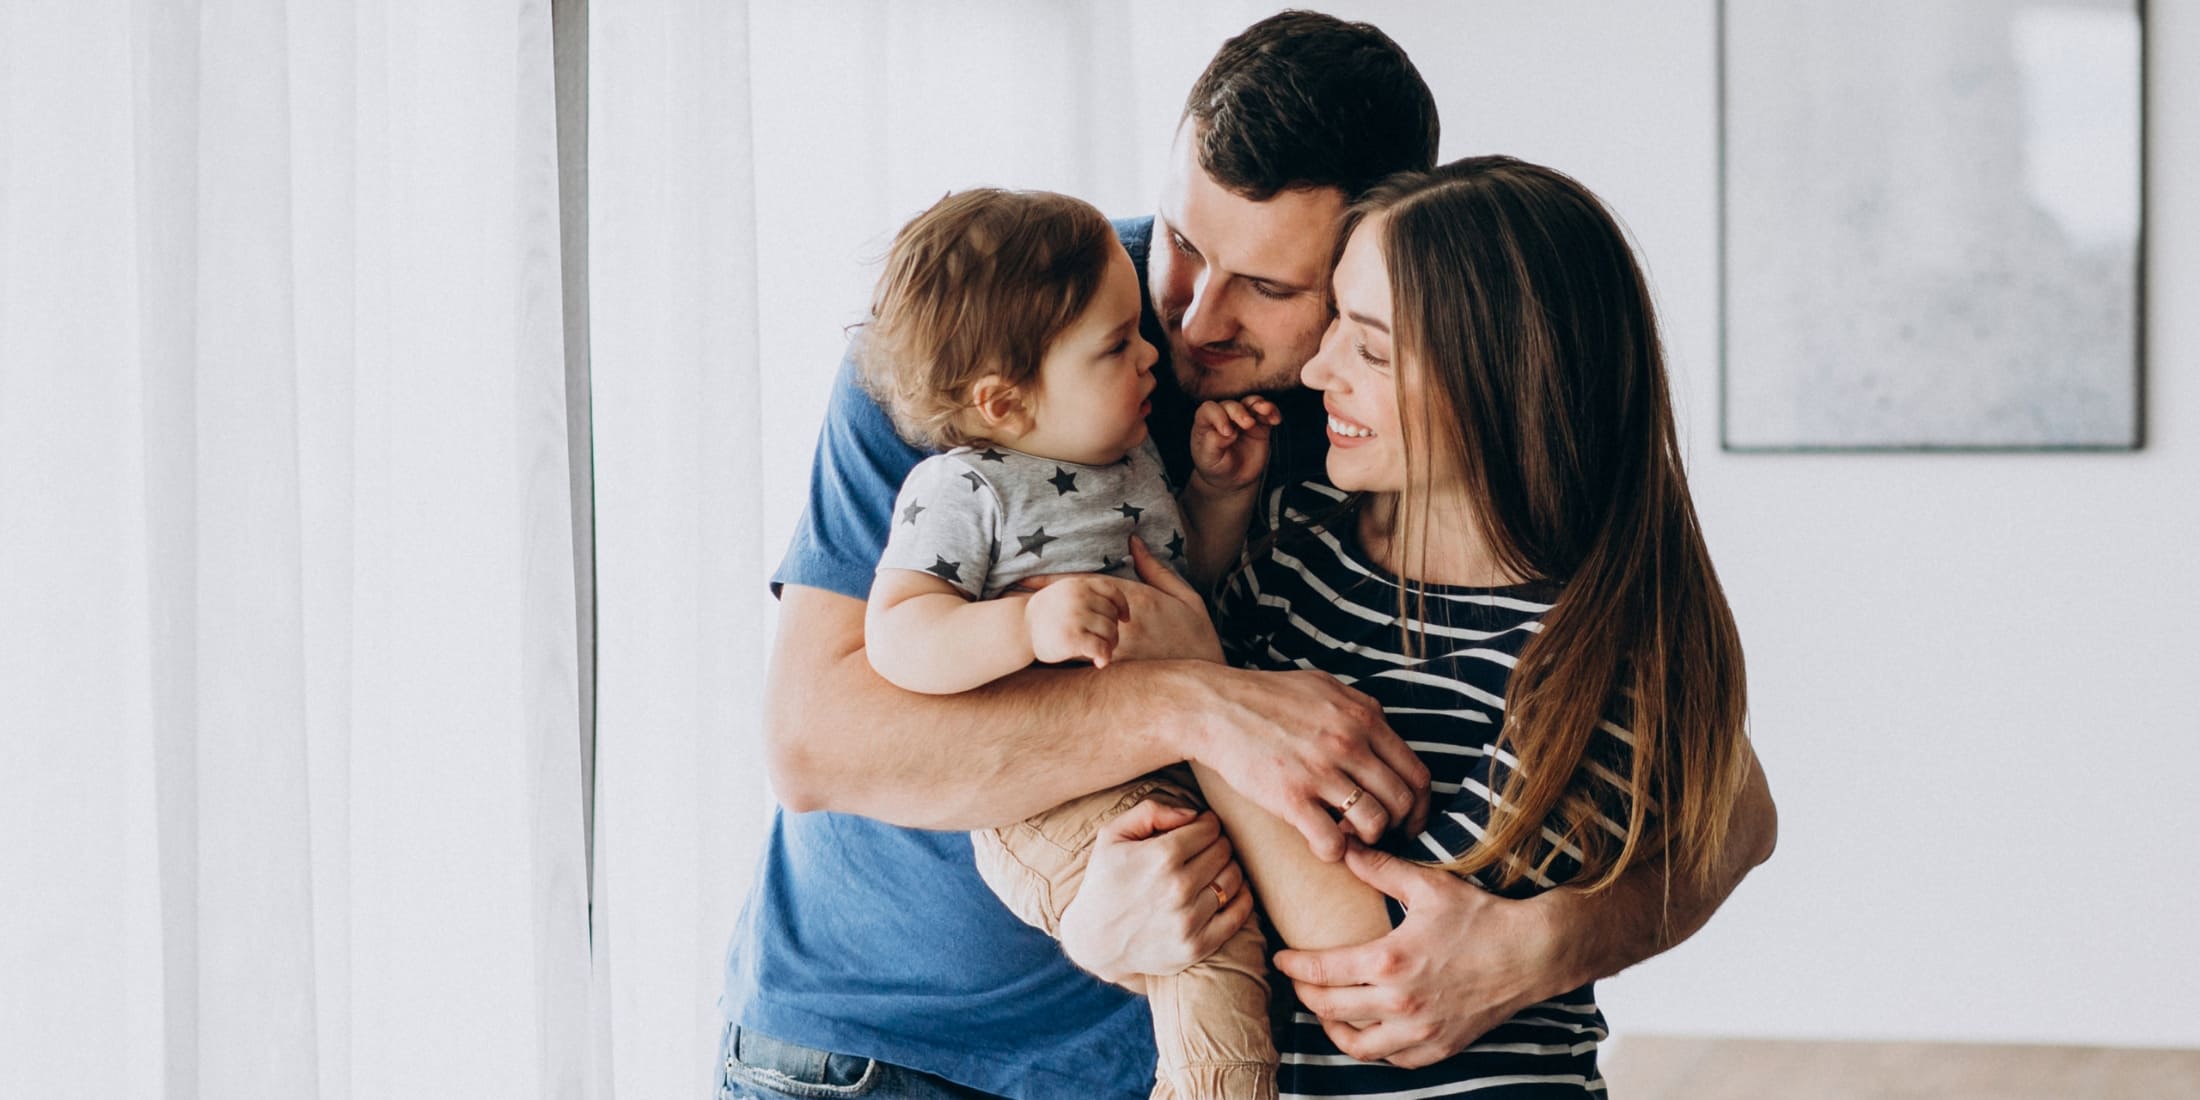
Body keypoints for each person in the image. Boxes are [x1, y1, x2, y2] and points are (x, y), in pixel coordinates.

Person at [723, 12, 1777, 1100]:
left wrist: (1548, 942)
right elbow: (814, 742)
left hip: (1180, 1057)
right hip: (881, 1040)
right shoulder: (986, 330)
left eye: (1272, 288)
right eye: (1181, 241)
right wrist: (1195, 702)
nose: (1191, 315)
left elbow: (1728, 804)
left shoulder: (1376, 404)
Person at [1174, 154, 1756, 1096]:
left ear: (1504, 383)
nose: (1319, 368)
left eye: (1369, 347)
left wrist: (1195, 692)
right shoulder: (1287, 546)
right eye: (1333, 329)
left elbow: (1379, 964)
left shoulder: (1593, 658)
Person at [857, 186, 1285, 1099]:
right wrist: (1020, 624)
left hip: (1151, 770)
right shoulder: (962, 488)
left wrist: (1218, 494)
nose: (1151, 359)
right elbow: (897, 634)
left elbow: (1180, 589)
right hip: (1045, 805)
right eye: (1115, 347)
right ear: (1005, 402)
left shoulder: (1128, 459)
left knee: (1233, 927)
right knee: (1213, 953)